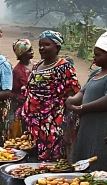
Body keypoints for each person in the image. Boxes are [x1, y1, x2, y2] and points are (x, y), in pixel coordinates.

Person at [66, 31, 107, 175]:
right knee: (81, 163)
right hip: (86, 126)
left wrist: (82, 108)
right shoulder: (96, 73)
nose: (94, 59)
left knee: (98, 166)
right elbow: (83, 92)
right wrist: (72, 101)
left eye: (97, 55)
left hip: (102, 127)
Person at [22, 31, 80, 161]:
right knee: (31, 157)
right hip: (34, 122)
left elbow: (73, 93)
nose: (42, 48)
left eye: (46, 45)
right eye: (40, 45)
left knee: (51, 159)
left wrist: (66, 124)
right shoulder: (37, 65)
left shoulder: (64, 67)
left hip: (53, 122)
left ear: (57, 47)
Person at [10, 39, 33, 138]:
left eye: (31, 49)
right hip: (24, 106)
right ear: (21, 54)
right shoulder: (17, 71)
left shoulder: (36, 65)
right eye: (28, 50)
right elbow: (13, 91)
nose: (32, 52)